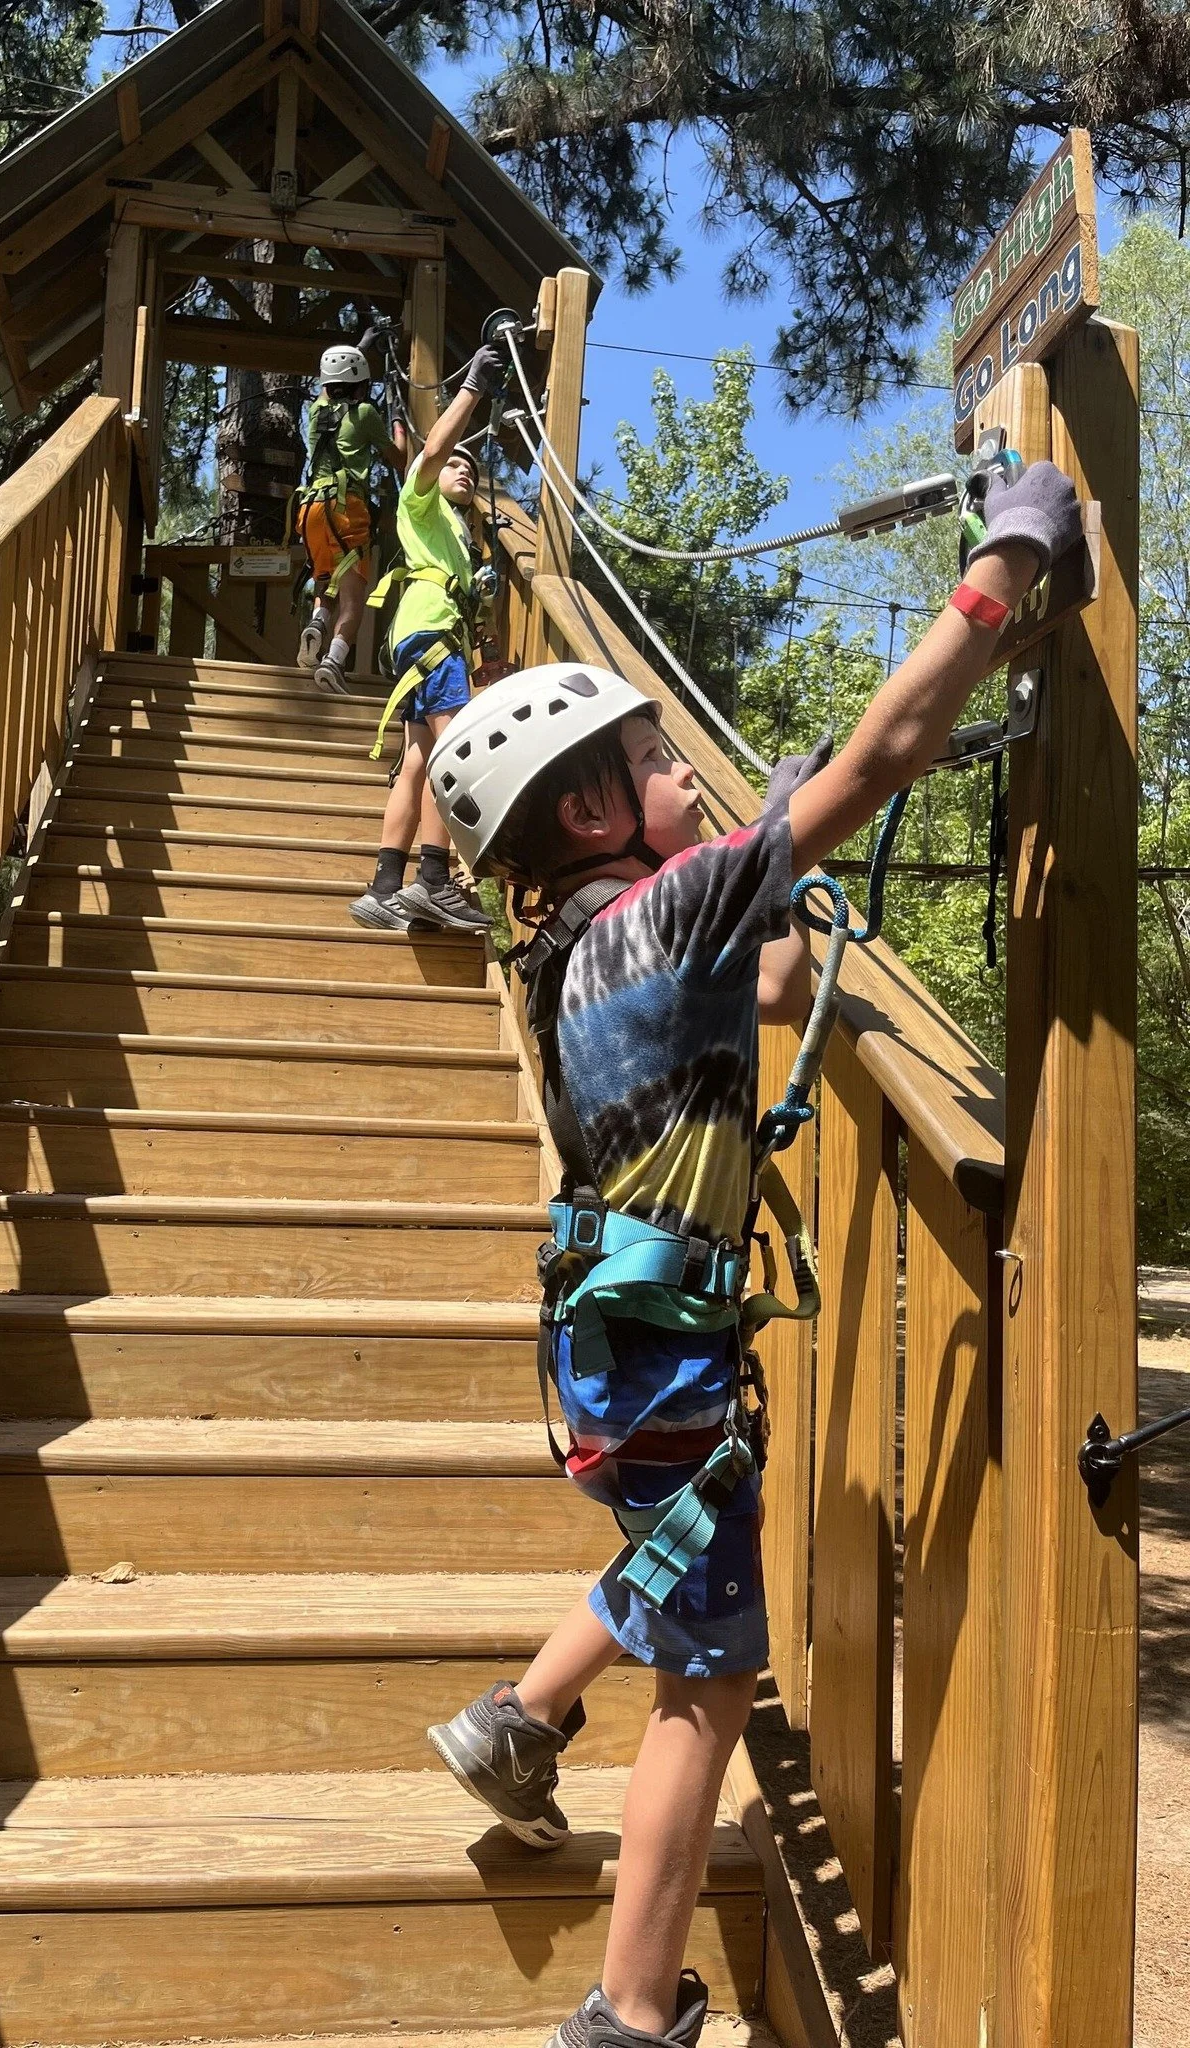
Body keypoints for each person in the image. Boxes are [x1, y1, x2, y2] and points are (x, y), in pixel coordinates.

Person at [421, 459, 1083, 2048]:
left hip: (615, 1338)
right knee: (708, 1690)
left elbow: (775, 987)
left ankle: (519, 1718)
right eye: (663, 766)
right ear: (595, 812)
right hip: (663, 1353)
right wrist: (1002, 566)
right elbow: (885, 754)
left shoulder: (577, 948)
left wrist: (771, 876)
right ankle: (631, 2009)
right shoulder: (671, 914)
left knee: (671, 1548)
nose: (690, 781)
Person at [347, 340, 505, 934]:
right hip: (430, 634)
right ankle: (435, 878)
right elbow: (435, 449)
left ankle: (385, 885)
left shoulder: (456, 538)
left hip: (426, 637)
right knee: (455, 752)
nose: (464, 470)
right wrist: (474, 388)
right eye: (457, 466)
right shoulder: (420, 503)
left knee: (417, 759)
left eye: (472, 469)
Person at [293, 339, 401, 694]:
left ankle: (317, 623)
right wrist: (397, 422)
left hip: (310, 509)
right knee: (353, 600)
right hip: (346, 508)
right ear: (360, 385)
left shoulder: (315, 411)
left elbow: (330, 389)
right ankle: (334, 662)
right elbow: (399, 458)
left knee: (327, 582)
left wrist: (359, 349)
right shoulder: (366, 414)